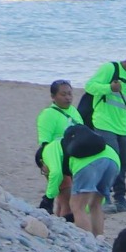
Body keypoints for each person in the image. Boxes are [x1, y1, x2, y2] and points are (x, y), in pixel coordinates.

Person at [81, 49, 126, 212]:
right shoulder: (110, 69)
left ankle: (120, 198)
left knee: (125, 161)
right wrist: (109, 88)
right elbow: (90, 86)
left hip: (122, 127)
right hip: (103, 123)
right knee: (110, 162)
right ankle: (103, 198)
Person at [62, 126, 122, 237]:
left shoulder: (52, 149)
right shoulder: (90, 139)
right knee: (96, 204)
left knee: (77, 206)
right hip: (113, 160)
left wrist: (49, 196)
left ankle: (87, 243)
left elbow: (57, 173)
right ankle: (99, 239)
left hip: (87, 164)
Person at [36, 81, 82, 218]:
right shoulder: (48, 114)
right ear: (53, 96)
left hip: (73, 160)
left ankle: (58, 223)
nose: (68, 97)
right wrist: (45, 163)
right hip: (56, 158)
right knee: (66, 198)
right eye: (63, 94)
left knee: (65, 200)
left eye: (69, 94)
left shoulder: (73, 111)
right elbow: (44, 142)